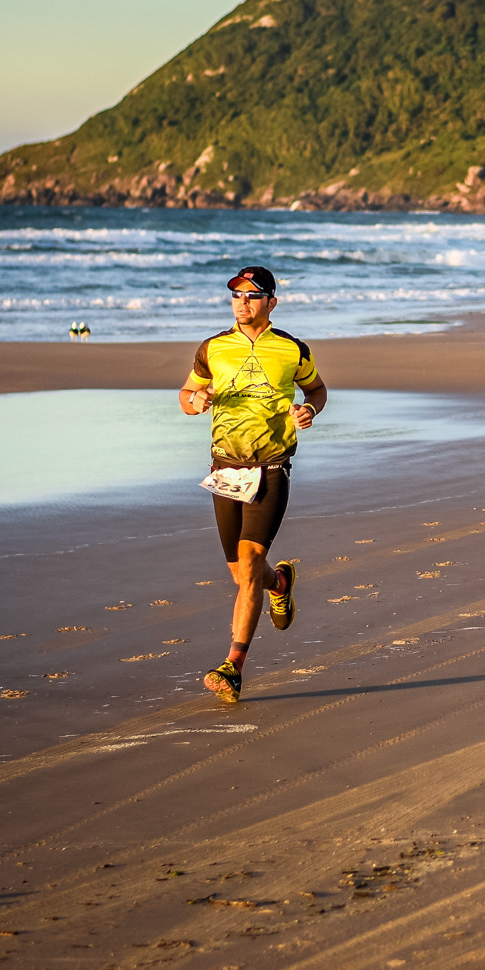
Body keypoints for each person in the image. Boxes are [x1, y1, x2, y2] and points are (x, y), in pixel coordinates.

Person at [179, 266, 328, 704]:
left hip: (272, 466)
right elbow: (186, 396)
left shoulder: (292, 349)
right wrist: (196, 401)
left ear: (271, 302)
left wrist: (309, 410)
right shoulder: (212, 348)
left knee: (248, 563)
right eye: (237, 295)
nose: (242, 302)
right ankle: (279, 583)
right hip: (226, 468)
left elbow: (317, 390)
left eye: (253, 295)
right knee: (241, 572)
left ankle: (234, 667)